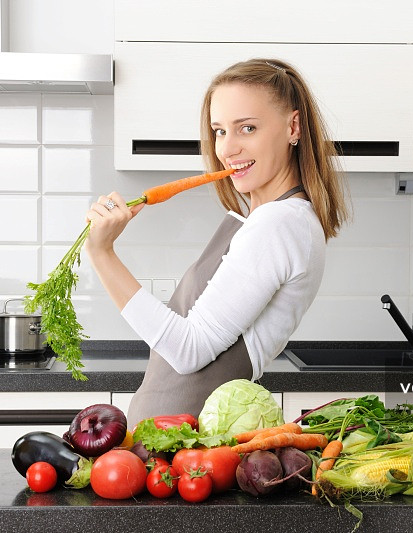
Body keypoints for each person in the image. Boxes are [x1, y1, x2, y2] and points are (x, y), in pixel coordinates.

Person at [85, 58, 350, 427]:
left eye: (247, 128)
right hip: (173, 445)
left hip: (190, 448)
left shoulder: (279, 223)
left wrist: (102, 254)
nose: (227, 148)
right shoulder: (272, 219)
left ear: (293, 127)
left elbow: (188, 349)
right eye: (220, 131)